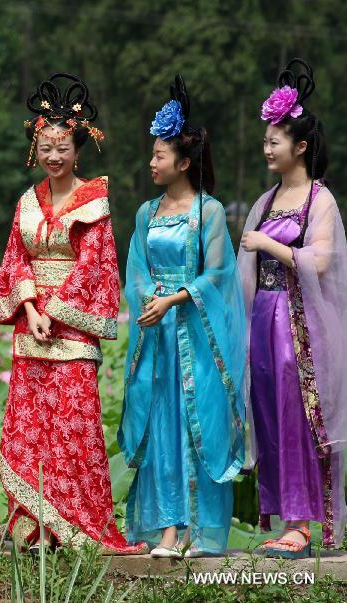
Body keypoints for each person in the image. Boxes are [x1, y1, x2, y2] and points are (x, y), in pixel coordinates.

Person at [0, 73, 142, 553]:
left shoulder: (93, 203)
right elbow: (15, 259)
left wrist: (55, 312)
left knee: (73, 430)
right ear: (34, 150)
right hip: (31, 328)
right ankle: (34, 529)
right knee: (31, 426)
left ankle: (78, 528)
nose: (53, 156)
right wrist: (32, 309)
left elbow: (95, 266)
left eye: (62, 148)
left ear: (78, 150)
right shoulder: (26, 202)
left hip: (72, 332)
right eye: (45, 147)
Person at [119, 76, 246, 558]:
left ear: (184, 162)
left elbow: (217, 274)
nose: (151, 163)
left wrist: (174, 300)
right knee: (162, 429)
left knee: (198, 428)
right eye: (152, 155)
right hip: (157, 339)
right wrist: (149, 299)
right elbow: (136, 267)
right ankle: (167, 529)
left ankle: (197, 529)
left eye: (158, 155)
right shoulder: (146, 213)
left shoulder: (208, 212)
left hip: (196, 335)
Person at [239, 58, 347, 557]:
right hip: (262, 315)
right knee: (267, 411)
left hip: (296, 323)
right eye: (265, 141)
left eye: (274, 141)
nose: (267, 148)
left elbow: (322, 260)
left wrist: (271, 245)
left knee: (297, 414)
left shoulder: (318, 200)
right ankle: (286, 518)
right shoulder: (267, 198)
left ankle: (303, 525)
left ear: (300, 146)